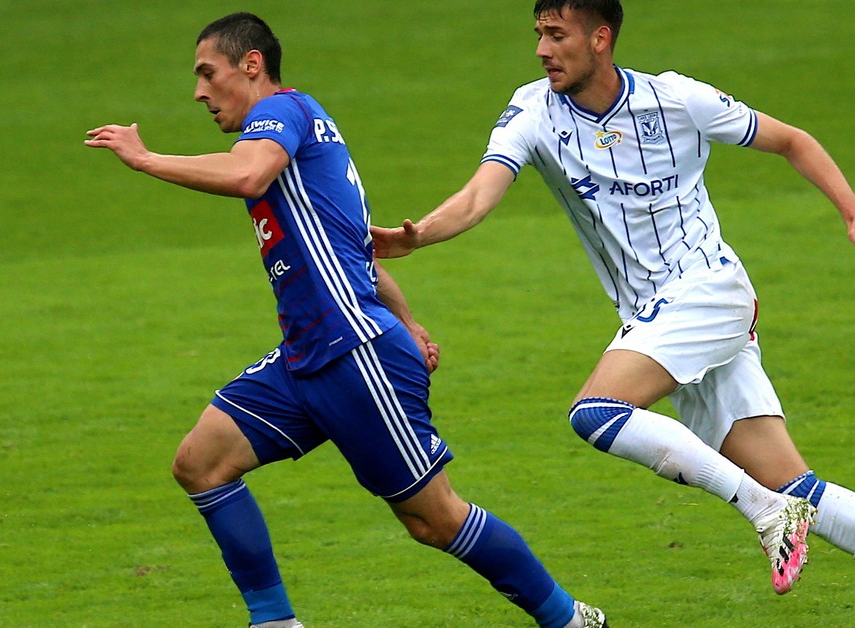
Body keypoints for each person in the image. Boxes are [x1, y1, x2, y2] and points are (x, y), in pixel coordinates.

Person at [371, 1, 855, 626]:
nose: (542, 49)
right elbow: (482, 192)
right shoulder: (534, 111)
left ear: (600, 39)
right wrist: (419, 235)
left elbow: (791, 140)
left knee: (596, 414)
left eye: (557, 34)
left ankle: (762, 511)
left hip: (709, 291)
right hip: (659, 314)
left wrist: (854, 211)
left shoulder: (676, 99)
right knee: (800, 489)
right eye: (538, 33)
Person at [84, 12, 609, 628]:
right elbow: (355, 249)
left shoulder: (282, 115)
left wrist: (146, 160)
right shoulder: (300, 139)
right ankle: (275, 622)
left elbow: (247, 172)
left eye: (207, 73)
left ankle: (568, 619)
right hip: (309, 354)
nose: (199, 91)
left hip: (355, 354)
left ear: (250, 65)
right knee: (200, 464)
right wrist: (410, 323)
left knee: (434, 520)